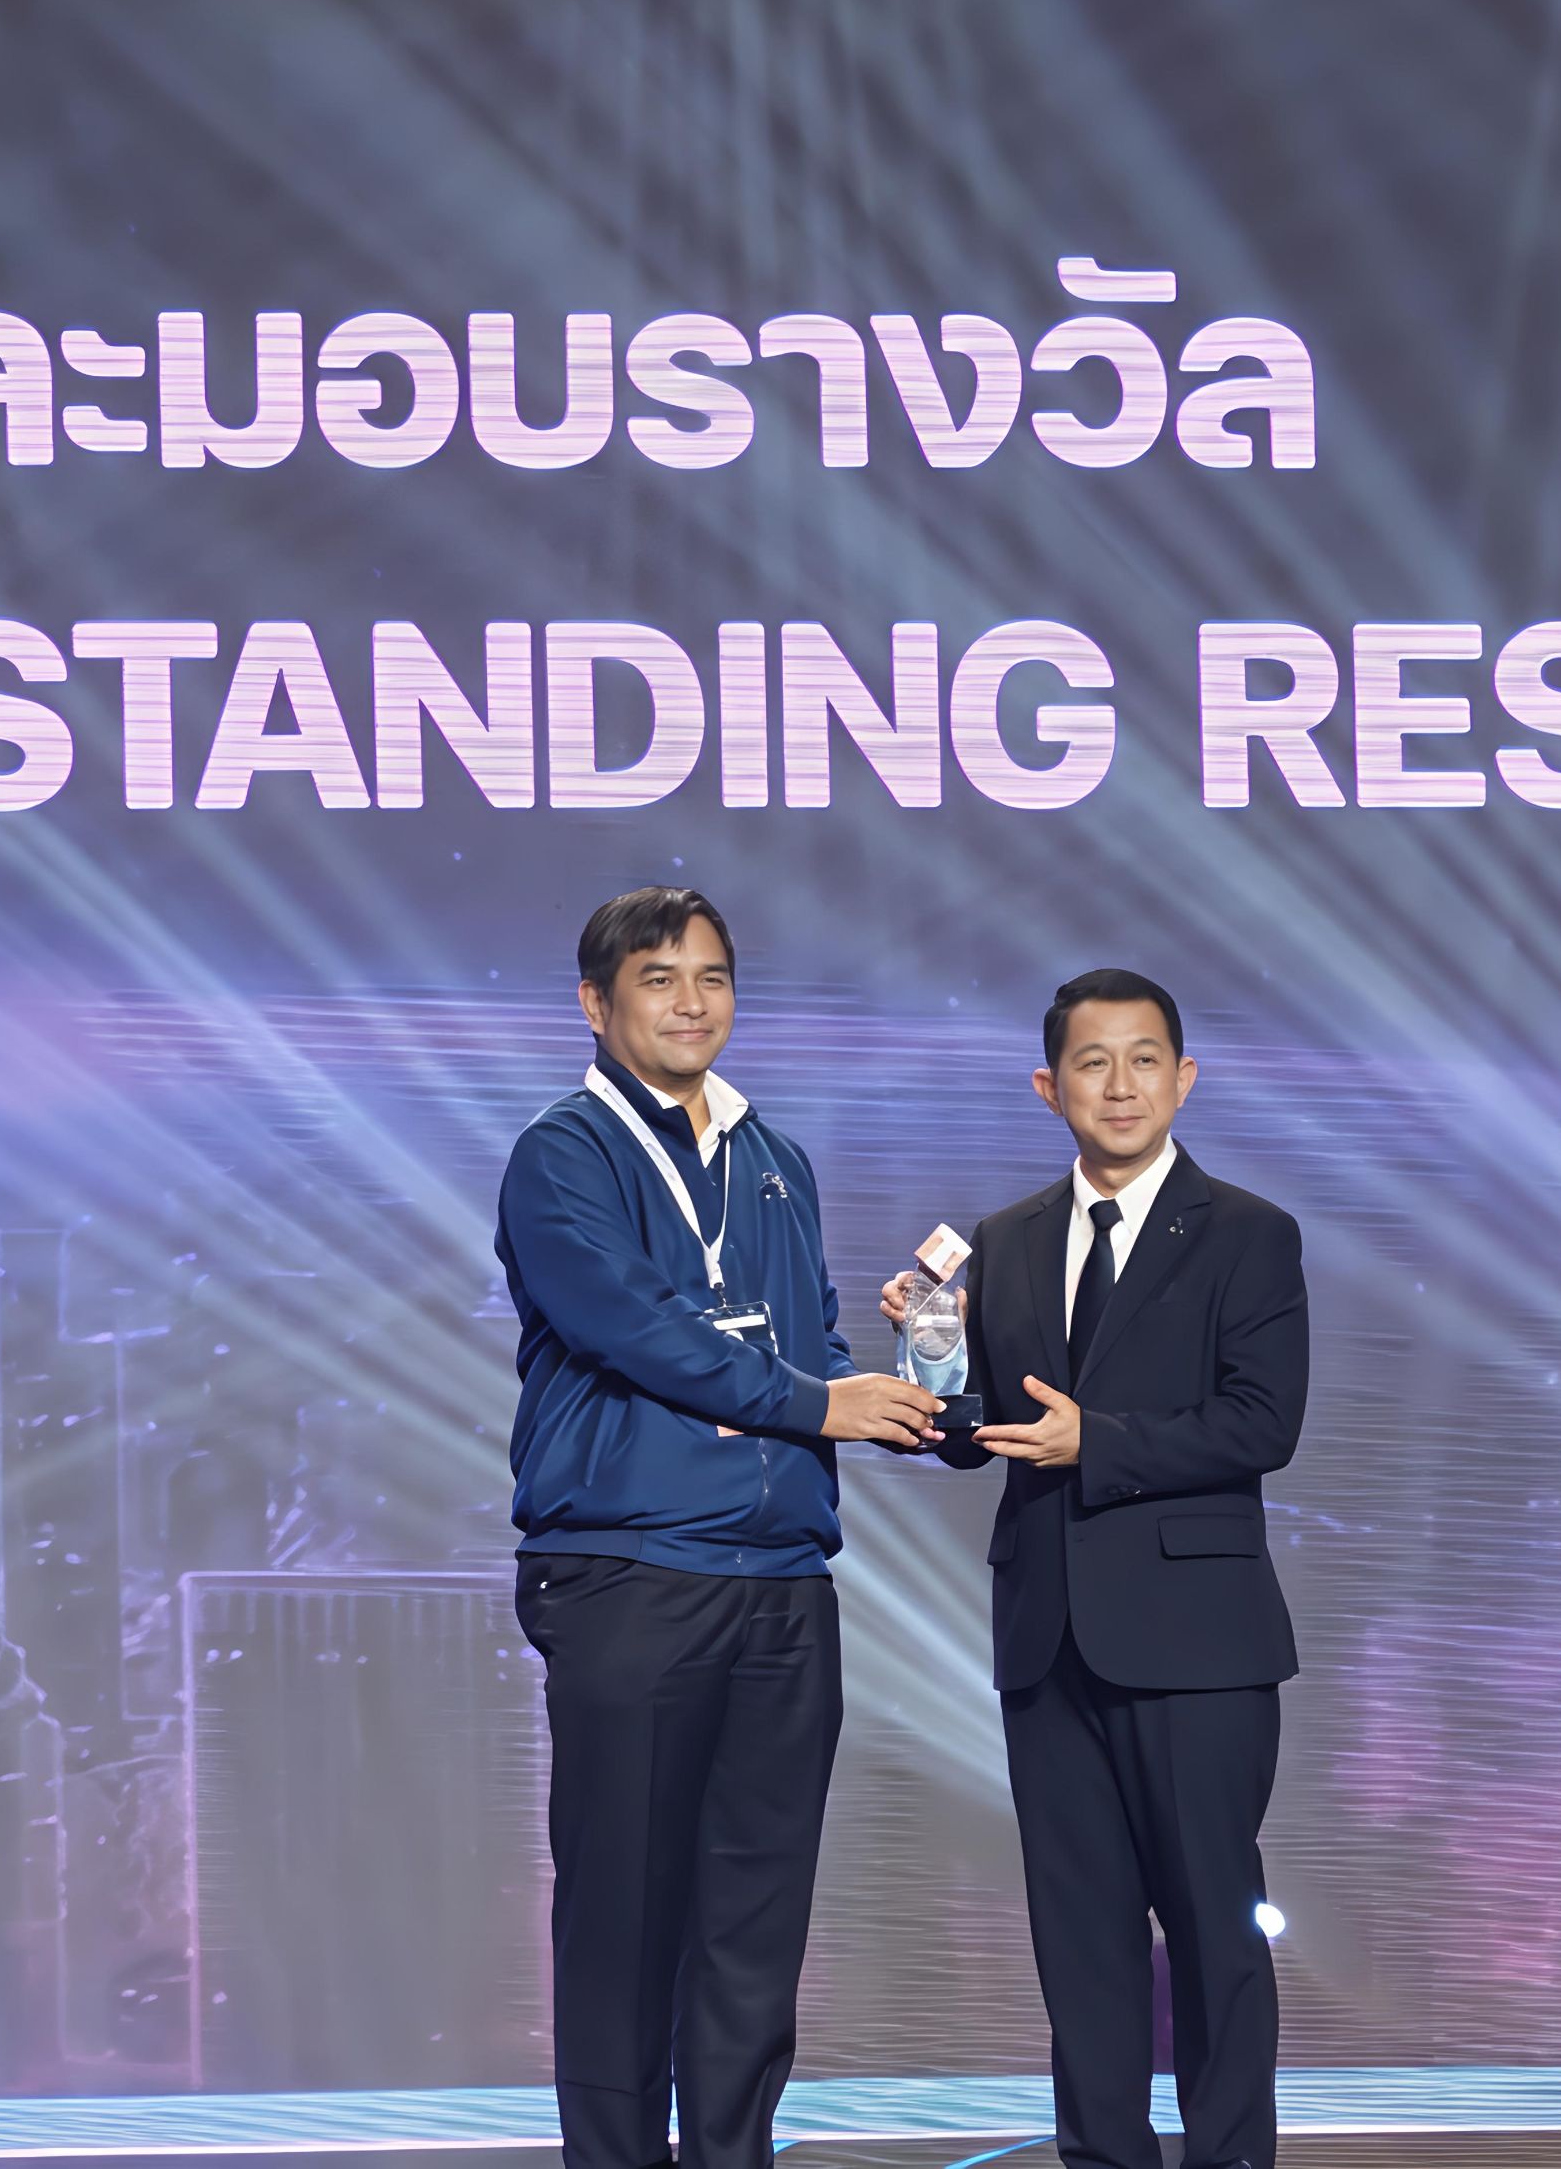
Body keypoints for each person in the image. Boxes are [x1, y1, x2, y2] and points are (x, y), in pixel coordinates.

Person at [500, 886, 941, 2169]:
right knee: (625, 1921)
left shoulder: (776, 1157)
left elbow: (810, 1345)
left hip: (784, 1583)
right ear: (595, 1005)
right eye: (659, 978)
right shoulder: (563, 1155)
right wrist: (819, 1400)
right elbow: (635, 1328)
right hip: (633, 1574)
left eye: (713, 977)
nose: (691, 1003)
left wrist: (913, 1383)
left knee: (755, 1927)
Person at [882, 969, 1307, 2169]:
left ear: (1184, 1077)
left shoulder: (1249, 1233)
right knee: (1081, 1941)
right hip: (1048, 1636)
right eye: (1091, 1062)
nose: (1120, 1086)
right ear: (1047, 1085)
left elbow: (1263, 1422)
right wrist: (932, 1366)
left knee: (1216, 1933)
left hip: (1199, 1643)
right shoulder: (1006, 1239)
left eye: (1143, 1059)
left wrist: (1099, 1444)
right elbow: (981, 1433)